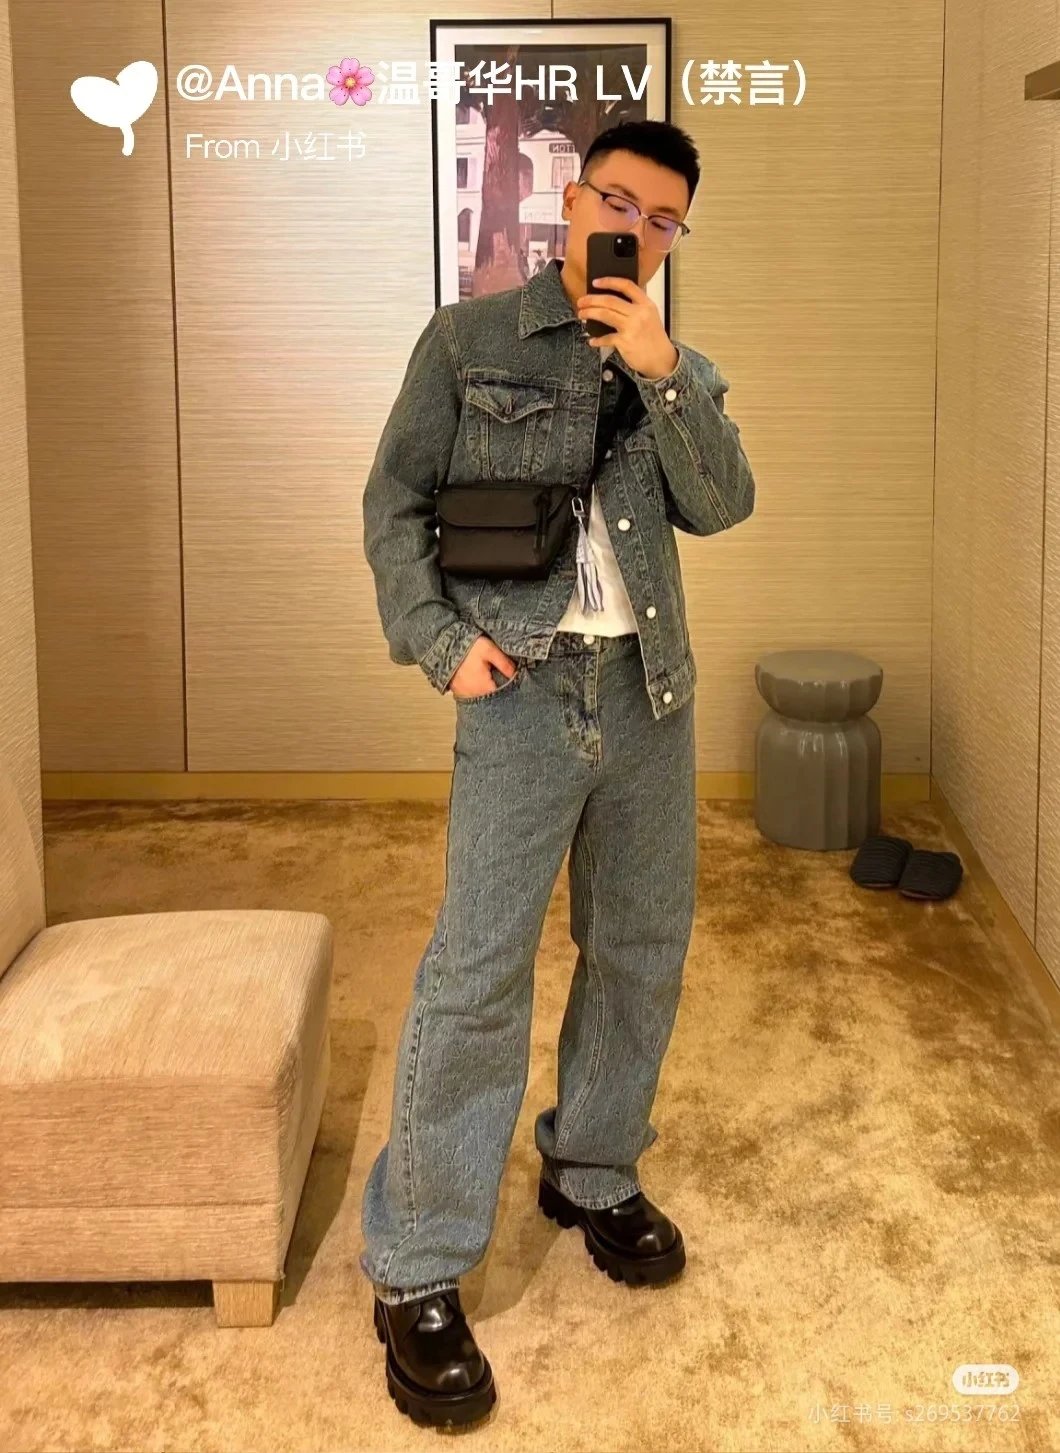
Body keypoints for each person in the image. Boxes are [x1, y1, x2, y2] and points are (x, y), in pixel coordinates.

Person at [360, 118, 756, 1429]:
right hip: (523, 691)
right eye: (618, 203)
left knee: (640, 946)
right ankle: (419, 1260)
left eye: (664, 220)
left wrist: (664, 371)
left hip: (651, 692)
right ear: (571, 201)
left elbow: (724, 504)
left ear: (677, 237)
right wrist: (439, 643)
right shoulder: (468, 341)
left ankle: (592, 1166)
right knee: (478, 969)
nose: (637, 231)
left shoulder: (672, 362)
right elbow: (392, 503)